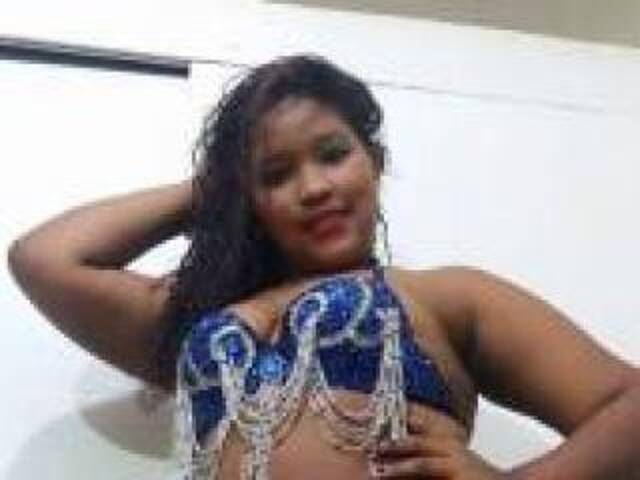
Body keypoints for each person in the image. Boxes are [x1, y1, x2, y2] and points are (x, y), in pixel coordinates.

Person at [7, 54, 640, 480]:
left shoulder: (446, 295)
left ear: (375, 161)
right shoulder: (202, 319)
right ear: (250, 199)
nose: (312, 188)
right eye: (277, 174)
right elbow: (46, 259)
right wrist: (218, 188)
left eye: (333, 154)